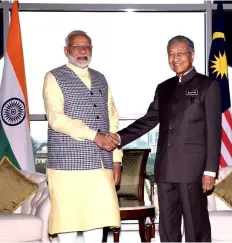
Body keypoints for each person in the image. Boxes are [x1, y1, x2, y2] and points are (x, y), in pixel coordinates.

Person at [105, 35, 221, 242]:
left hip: (193, 171)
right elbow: (149, 120)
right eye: (171, 54)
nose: (175, 58)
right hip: (165, 170)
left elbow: (214, 131)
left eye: (180, 53)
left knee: (196, 226)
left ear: (192, 55)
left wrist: (210, 170)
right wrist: (118, 138)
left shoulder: (208, 86)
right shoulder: (164, 87)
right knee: (168, 227)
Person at [43, 30, 122, 243]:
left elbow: (112, 119)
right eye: (77, 46)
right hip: (66, 165)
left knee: (97, 222)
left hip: (100, 164)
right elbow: (56, 119)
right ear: (66, 50)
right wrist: (93, 135)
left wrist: (116, 160)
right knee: (67, 223)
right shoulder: (53, 77)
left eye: (87, 47)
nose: (82, 51)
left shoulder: (101, 78)